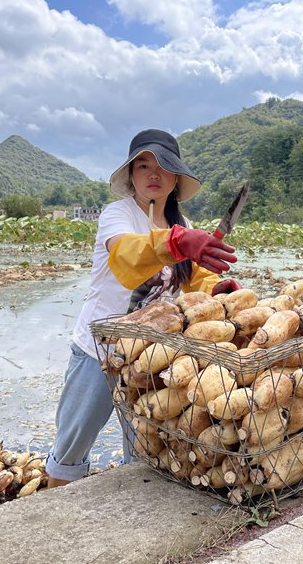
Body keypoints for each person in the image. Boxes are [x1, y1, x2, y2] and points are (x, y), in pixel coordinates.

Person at [46, 129, 241, 488]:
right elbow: (126, 256)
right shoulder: (116, 215)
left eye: (164, 166)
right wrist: (177, 242)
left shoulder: (183, 225)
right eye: (143, 165)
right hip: (99, 351)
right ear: (131, 175)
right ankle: (47, 521)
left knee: (144, 450)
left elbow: (194, 282)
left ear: (176, 178)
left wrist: (219, 290)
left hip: (147, 358)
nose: (153, 174)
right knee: (71, 448)